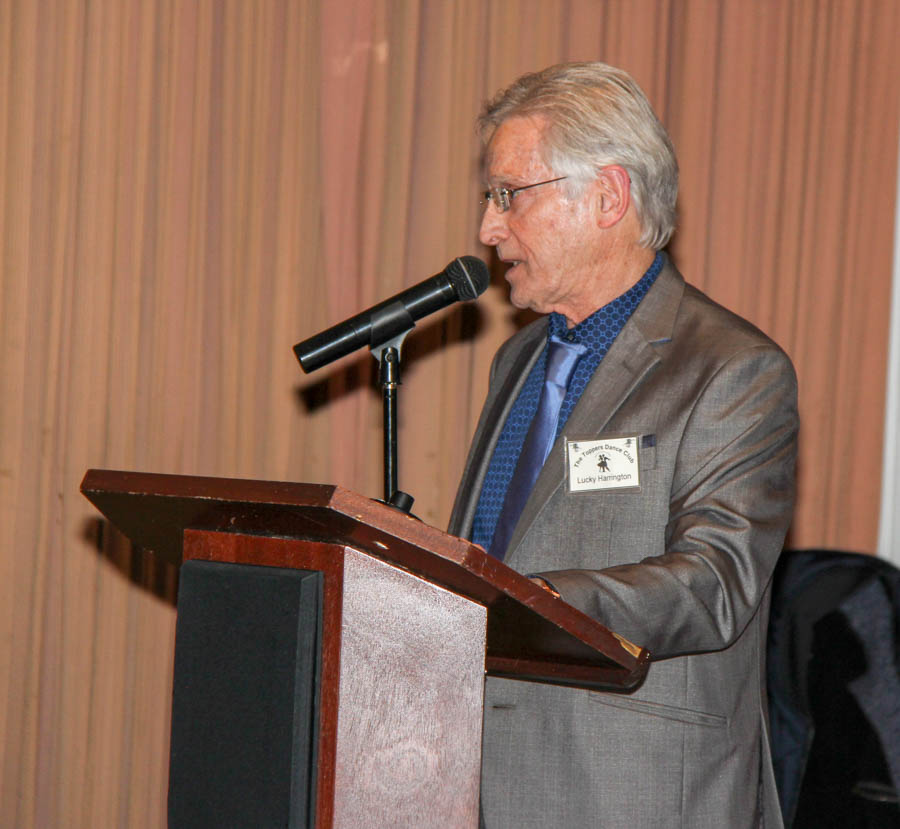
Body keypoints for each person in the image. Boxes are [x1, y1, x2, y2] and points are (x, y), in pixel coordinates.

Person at [448, 62, 798, 828]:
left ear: (607, 196)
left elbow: (716, 581)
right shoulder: (518, 361)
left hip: (633, 796)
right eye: (489, 197)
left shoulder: (733, 369)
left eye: (510, 194)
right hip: (476, 783)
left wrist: (519, 603)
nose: (488, 227)